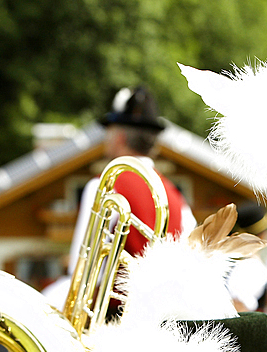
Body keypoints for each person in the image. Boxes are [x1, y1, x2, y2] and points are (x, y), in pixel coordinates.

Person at [43, 86, 194, 307]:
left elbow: (81, 269)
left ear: (119, 136)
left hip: (112, 320)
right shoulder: (176, 196)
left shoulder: (103, 185)